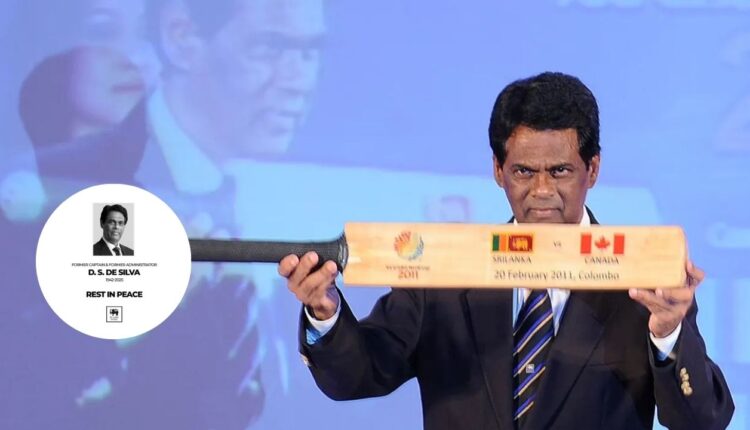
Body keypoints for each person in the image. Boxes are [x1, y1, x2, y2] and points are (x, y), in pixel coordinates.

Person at [278, 72, 734, 430]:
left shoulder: (641, 278)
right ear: (498, 170)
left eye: (560, 171)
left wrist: (668, 335)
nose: (542, 190)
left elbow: (703, 420)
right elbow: (355, 377)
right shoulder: (444, 273)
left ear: (592, 169)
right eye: (523, 171)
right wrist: (325, 313)